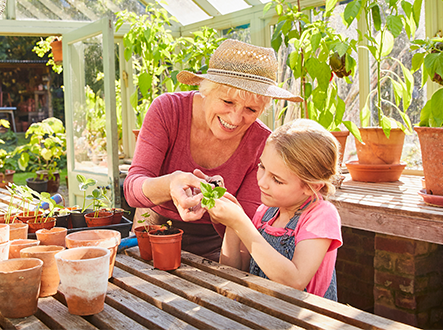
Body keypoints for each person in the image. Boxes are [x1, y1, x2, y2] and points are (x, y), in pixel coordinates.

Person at [123, 39, 302, 261]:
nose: (235, 119)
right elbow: (132, 189)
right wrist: (171, 184)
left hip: (216, 246)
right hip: (154, 229)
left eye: (251, 109)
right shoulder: (167, 110)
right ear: (206, 90)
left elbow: (243, 229)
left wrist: (219, 203)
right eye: (227, 101)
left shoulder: (262, 143)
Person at [207, 119, 342, 300]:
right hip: (264, 312)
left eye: (277, 179)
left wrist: (242, 223)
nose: (262, 182)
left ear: (312, 186)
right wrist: (233, 225)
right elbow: (234, 271)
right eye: (262, 167)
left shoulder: (321, 216)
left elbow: (294, 281)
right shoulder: (265, 213)